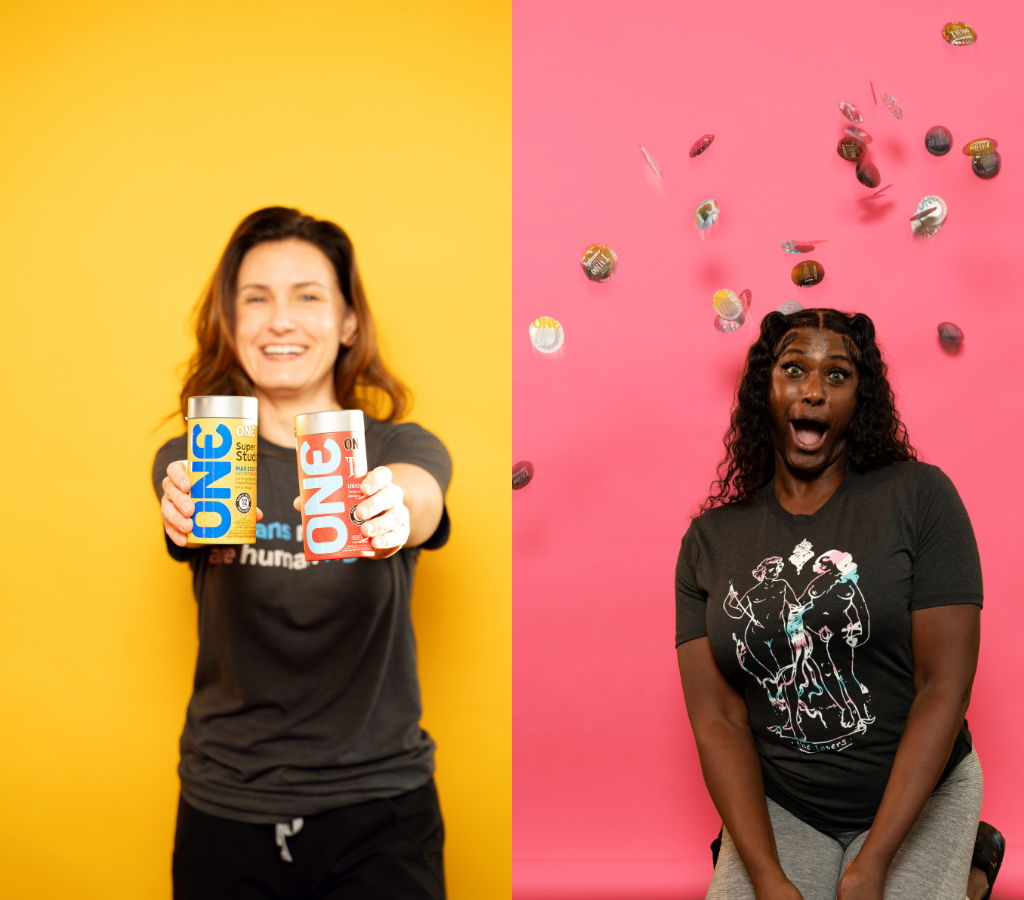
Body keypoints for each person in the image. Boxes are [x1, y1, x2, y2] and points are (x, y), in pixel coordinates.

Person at [153, 207, 452, 900]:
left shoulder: (398, 449)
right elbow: (181, 497)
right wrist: (182, 508)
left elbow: (420, 497)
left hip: (380, 809)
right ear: (231, 321)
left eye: (309, 297)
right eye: (256, 299)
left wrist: (393, 508)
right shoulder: (194, 455)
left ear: (348, 322)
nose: (279, 320)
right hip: (225, 804)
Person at [674, 308, 998, 900]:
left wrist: (874, 865)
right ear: (762, 391)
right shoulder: (709, 542)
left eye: (838, 375)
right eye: (793, 369)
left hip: (918, 791)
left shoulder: (921, 499)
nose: (814, 391)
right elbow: (718, 721)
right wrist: (766, 875)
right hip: (788, 801)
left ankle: (969, 859)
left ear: (860, 397)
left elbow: (943, 686)